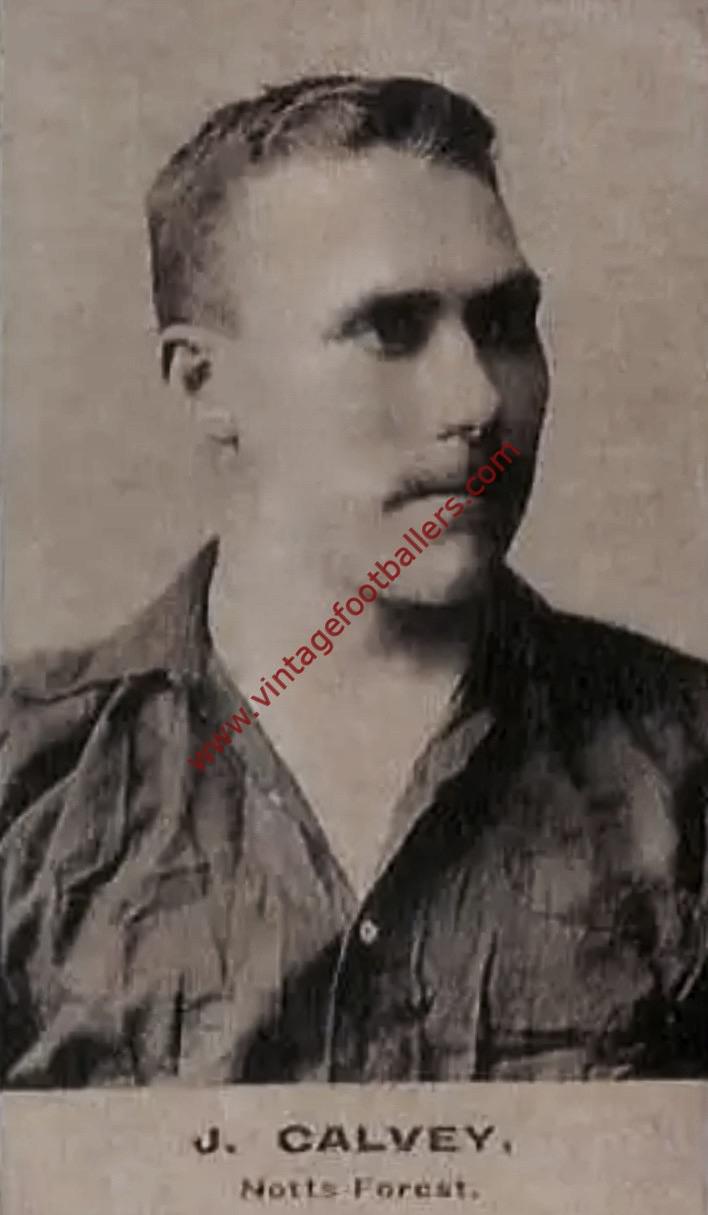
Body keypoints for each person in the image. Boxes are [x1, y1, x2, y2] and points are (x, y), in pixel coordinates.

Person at [2, 73, 707, 1088]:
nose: (477, 400)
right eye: (390, 330)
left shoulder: (689, 774)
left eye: (505, 323)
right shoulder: (25, 787)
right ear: (206, 383)